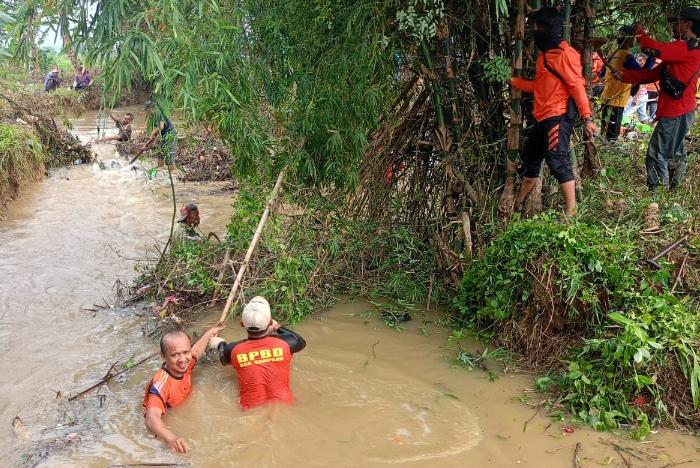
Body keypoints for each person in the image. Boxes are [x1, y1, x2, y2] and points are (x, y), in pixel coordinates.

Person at [510, 7, 598, 217]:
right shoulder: (546, 57)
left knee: (557, 160)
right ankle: (519, 202)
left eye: (535, 27)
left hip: (557, 116)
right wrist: (513, 81)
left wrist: (587, 119)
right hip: (542, 117)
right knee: (530, 159)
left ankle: (571, 212)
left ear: (545, 29)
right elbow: (538, 87)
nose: (533, 32)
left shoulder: (565, 55)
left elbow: (577, 86)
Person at [620, 7, 700, 191]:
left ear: (688, 24)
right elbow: (654, 73)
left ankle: (658, 195)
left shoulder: (685, 47)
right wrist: (625, 76)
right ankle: (673, 192)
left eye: (677, 22)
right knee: (675, 152)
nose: (673, 26)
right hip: (681, 110)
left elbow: (654, 49)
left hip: (676, 111)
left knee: (657, 153)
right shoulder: (687, 48)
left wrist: (640, 33)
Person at [209, 296, 306, 410]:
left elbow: (224, 360)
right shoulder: (287, 343)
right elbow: (300, 341)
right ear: (269, 322)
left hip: (250, 409)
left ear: (242, 324)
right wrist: (277, 326)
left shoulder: (233, 350)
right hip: (285, 405)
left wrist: (220, 344)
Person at [143, 325, 224, 453]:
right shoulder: (161, 384)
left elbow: (196, 351)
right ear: (163, 356)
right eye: (175, 355)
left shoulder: (186, 364)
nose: (182, 359)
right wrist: (171, 438)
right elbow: (151, 418)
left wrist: (209, 334)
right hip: (164, 429)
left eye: (186, 352)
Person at [599, 27, 654, 139]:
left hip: (609, 97)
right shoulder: (625, 56)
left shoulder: (614, 53)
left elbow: (601, 75)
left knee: (605, 132)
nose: (634, 40)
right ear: (628, 39)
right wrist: (652, 56)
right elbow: (643, 75)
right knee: (611, 136)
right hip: (615, 100)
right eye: (633, 37)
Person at [139, 100, 177, 169]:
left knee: (170, 161)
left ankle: (174, 176)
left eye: (147, 110)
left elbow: (161, 127)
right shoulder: (155, 117)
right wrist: (147, 146)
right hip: (164, 138)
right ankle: (160, 175)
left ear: (151, 108)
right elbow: (154, 135)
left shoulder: (159, 113)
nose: (147, 113)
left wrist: (153, 133)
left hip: (170, 137)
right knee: (160, 156)